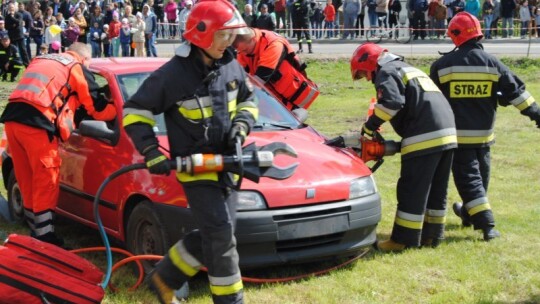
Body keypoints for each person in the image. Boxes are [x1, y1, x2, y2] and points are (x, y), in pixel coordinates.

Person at [121, 1, 258, 303]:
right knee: (221, 236)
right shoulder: (173, 75)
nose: (229, 42)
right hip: (196, 168)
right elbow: (134, 109)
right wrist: (150, 149)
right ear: (201, 34)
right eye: (223, 35)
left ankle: (164, 277)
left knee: (216, 232)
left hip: (227, 165)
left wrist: (241, 127)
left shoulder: (230, 65)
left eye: (231, 35)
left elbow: (249, 100)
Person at [430, 12, 540, 241]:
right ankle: (478, 219)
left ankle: (480, 220)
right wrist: (537, 115)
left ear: (454, 35)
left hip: (458, 137)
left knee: (471, 181)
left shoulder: (442, 66)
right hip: (484, 137)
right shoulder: (493, 64)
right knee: (479, 179)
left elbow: (433, 103)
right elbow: (517, 94)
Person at [0, 42, 117, 246]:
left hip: (12, 121)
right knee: (47, 178)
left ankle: (34, 230)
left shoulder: (42, 59)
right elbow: (96, 108)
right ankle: (46, 238)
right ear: (85, 58)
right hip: (38, 125)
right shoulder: (76, 67)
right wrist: (117, 112)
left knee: (27, 176)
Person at [350, 43, 457, 251]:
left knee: (412, 189)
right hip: (448, 133)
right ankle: (432, 236)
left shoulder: (387, 71)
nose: (367, 78)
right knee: (437, 188)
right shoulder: (410, 69)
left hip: (423, 134)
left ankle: (402, 240)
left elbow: (391, 103)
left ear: (371, 63)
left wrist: (370, 127)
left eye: (364, 73)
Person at [233, 27, 319, 110]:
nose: (243, 53)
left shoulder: (273, 44)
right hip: (273, 100)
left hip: (293, 98)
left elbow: (258, 81)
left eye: (245, 50)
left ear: (253, 39)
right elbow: (239, 77)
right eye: (240, 51)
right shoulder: (243, 50)